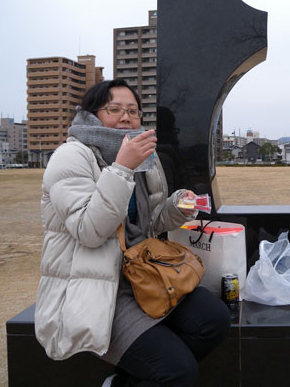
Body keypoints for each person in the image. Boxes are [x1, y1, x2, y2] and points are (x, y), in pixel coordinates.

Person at [34, 79, 231, 387]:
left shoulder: (142, 157)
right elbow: (90, 231)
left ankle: (122, 381)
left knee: (215, 320)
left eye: (133, 111)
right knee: (178, 371)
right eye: (114, 109)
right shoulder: (71, 157)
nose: (126, 118)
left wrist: (178, 206)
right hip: (99, 291)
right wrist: (122, 168)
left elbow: (148, 225)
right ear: (91, 115)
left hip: (143, 276)